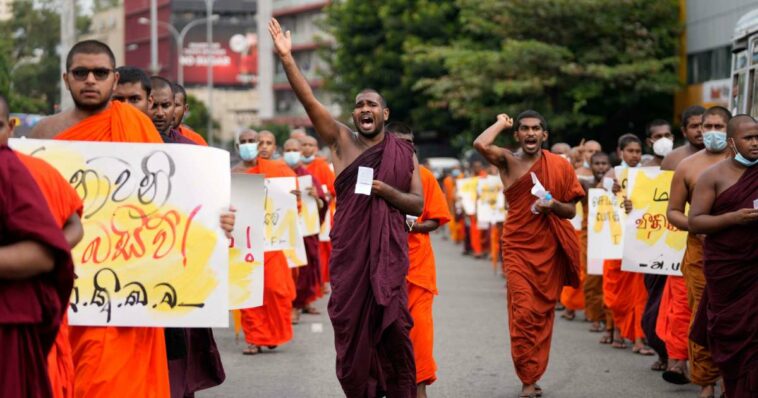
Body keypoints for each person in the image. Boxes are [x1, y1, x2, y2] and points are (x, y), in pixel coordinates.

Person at [271, 18, 423, 397]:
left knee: (394, 329)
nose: (364, 109)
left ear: (385, 114)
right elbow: (309, 101)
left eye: (372, 104)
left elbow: (417, 205)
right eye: (358, 105)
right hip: (351, 258)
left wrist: (386, 190)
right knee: (352, 331)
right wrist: (288, 60)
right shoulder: (341, 141)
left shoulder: (403, 152)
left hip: (388, 259)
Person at [28, 39, 173, 398]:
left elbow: (169, 207)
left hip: (126, 287)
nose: (90, 80)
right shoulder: (43, 135)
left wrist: (220, 224)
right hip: (64, 283)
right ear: (66, 79)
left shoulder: (138, 127)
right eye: (81, 72)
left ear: (114, 77)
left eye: (100, 73)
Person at [474, 111, 585, 398]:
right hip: (518, 248)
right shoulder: (508, 160)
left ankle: (535, 373)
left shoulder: (559, 165)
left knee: (542, 313)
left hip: (548, 248)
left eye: (537, 129)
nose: (531, 133)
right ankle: (526, 378)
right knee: (523, 312)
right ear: (517, 135)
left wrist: (553, 205)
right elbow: (480, 145)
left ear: (545, 135)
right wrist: (500, 122)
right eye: (525, 129)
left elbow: (571, 210)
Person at [2, 96, 84, 398]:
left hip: (13, 308)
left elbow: (71, 228)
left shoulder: (22, 170)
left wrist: (50, 253)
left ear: (9, 128)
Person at [664, 106, 733, 394]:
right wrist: (697, 226)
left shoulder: (745, 164)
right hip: (700, 251)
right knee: (701, 314)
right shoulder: (688, 166)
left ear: (731, 131)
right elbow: (673, 212)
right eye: (708, 127)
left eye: (719, 126)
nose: (713, 132)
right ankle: (705, 381)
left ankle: (734, 379)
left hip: (738, 253)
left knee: (737, 317)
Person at [688, 115, 758, 398]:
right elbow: (696, 222)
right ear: (732, 142)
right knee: (733, 336)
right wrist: (733, 218)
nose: (755, 143)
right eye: (748, 138)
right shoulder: (713, 176)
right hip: (728, 269)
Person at [389, 123, 452, 398]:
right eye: (398, 142)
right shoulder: (374, 177)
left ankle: (419, 387)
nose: (405, 148)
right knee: (387, 334)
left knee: (421, 334)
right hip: (382, 270)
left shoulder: (425, 176)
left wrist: (409, 226)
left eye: (409, 143)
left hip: (418, 270)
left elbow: (435, 221)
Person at [240, 130, 297, 355]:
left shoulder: (280, 171)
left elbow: (292, 206)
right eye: (247, 142)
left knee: (275, 290)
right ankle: (254, 338)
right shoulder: (233, 173)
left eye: (264, 142)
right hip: (244, 243)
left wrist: (296, 200)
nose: (257, 146)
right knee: (248, 291)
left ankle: (272, 333)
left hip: (272, 242)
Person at [602, 133, 654, 355]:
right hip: (615, 239)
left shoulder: (648, 175)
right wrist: (611, 190)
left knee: (639, 291)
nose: (634, 155)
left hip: (639, 238)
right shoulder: (613, 174)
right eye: (630, 151)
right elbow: (600, 197)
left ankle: (639, 339)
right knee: (615, 291)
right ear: (620, 151)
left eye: (638, 151)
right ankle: (616, 330)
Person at [282, 138, 327, 323]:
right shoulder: (279, 173)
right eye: (288, 149)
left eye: (295, 149)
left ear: (300, 152)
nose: (292, 153)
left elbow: (323, 203)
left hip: (305, 230)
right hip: (283, 230)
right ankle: (289, 304)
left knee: (306, 268)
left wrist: (316, 197)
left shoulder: (308, 177)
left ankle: (299, 304)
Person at [578, 151, 611, 334]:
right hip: (590, 240)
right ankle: (595, 317)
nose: (601, 167)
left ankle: (610, 319)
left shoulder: (617, 185)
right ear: (591, 166)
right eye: (597, 164)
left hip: (611, 239)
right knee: (592, 279)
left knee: (610, 280)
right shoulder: (586, 185)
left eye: (604, 164)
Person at [300, 135, 336, 293]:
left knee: (322, 248)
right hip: (299, 214)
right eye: (304, 145)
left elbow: (332, 190)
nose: (307, 148)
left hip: (321, 212)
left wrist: (321, 197)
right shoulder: (295, 166)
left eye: (310, 144)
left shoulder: (321, 166)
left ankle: (323, 281)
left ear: (315, 148)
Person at [148, 76, 195, 144]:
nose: (160, 113)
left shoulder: (189, 148)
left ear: (174, 106)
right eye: (153, 106)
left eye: (166, 106)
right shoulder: (130, 141)